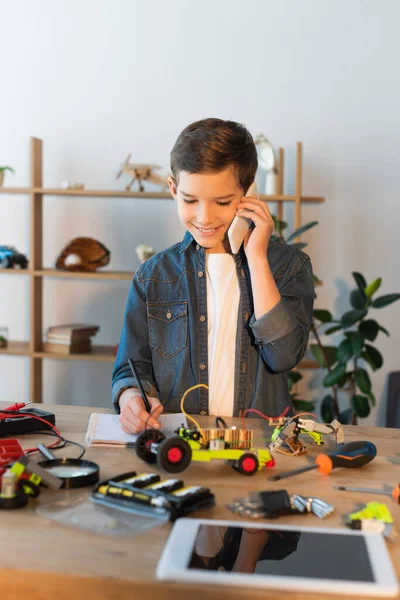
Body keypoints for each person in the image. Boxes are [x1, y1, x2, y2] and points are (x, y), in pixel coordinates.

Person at [112, 118, 314, 434]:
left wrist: (257, 257)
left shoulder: (288, 266)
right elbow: (131, 366)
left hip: (256, 446)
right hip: (178, 444)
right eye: (190, 200)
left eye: (222, 202)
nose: (204, 217)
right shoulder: (152, 277)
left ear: (250, 194)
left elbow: (283, 357)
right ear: (173, 189)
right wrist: (131, 398)